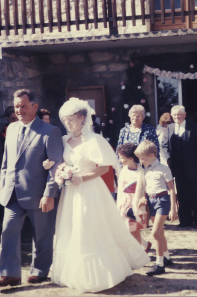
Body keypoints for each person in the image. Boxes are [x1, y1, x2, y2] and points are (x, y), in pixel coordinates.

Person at [51, 97, 149, 293]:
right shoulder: (64, 140)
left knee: (89, 226)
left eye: (71, 119)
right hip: (70, 193)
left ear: (81, 118)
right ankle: (75, 273)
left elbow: (104, 168)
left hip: (89, 190)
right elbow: (61, 162)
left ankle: (101, 273)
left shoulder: (94, 140)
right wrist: (58, 170)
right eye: (64, 120)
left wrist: (83, 178)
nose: (67, 124)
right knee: (72, 227)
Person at [0, 89, 64, 287]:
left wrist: (49, 194)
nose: (19, 110)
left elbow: (56, 165)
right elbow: (6, 162)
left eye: (23, 106)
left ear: (34, 106)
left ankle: (40, 270)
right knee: (8, 230)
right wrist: (2, 186)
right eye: (16, 106)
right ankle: (9, 273)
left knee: (42, 234)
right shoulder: (12, 128)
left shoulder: (50, 132)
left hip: (38, 194)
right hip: (12, 193)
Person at [133, 140, 177, 276]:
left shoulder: (164, 168)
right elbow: (145, 186)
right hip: (151, 201)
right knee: (160, 233)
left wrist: (173, 208)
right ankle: (167, 257)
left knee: (155, 233)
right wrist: (143, 197)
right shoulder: (144, 169)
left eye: (142, 158)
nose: (140, 160)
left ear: (152, 155)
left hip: (162, 200)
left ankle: (159, 264)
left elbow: (172, 189)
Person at [165, 105, 197, 228]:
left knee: (194, 193)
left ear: (184, 115)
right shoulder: (170, 128)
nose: (177, 117)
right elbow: (168, 148)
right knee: (181, 194)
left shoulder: (194, 128)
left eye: (179, 114)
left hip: (192, 168)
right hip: (177, 168)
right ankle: (184, 220)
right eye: (174, 115)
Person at [116, 143, 150, 251]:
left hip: (136, 206)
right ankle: (144, 245)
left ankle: (137, 253)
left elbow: (144, 188)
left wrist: (143, 198)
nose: (120, 160)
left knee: (134, 231)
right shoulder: (123, 171)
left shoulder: (141, 172)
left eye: (122, 157)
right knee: (127, 230)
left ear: (130, 158)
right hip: (124, 205)